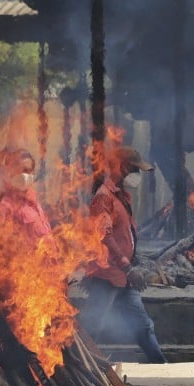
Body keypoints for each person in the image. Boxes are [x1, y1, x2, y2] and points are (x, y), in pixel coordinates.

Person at [79, 146, 167, 364]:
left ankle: (161, 366)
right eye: (136, 170)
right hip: (106, 277)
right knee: (92, 329)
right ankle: (79, 367)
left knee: (143, 326)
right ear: (123, 168)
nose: (138, 176)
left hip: (124, 277)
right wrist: (128, 267)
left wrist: (132, 266)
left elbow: (124, 236)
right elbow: (104, 237)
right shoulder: (104, 198)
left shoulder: (121, 197)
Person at [0, 149, 52, 240]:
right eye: (21, 170)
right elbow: (3, 245)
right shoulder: (5, 206)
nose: (25, 175)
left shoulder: (34, 202)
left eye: (29, 171)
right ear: (11, 173)